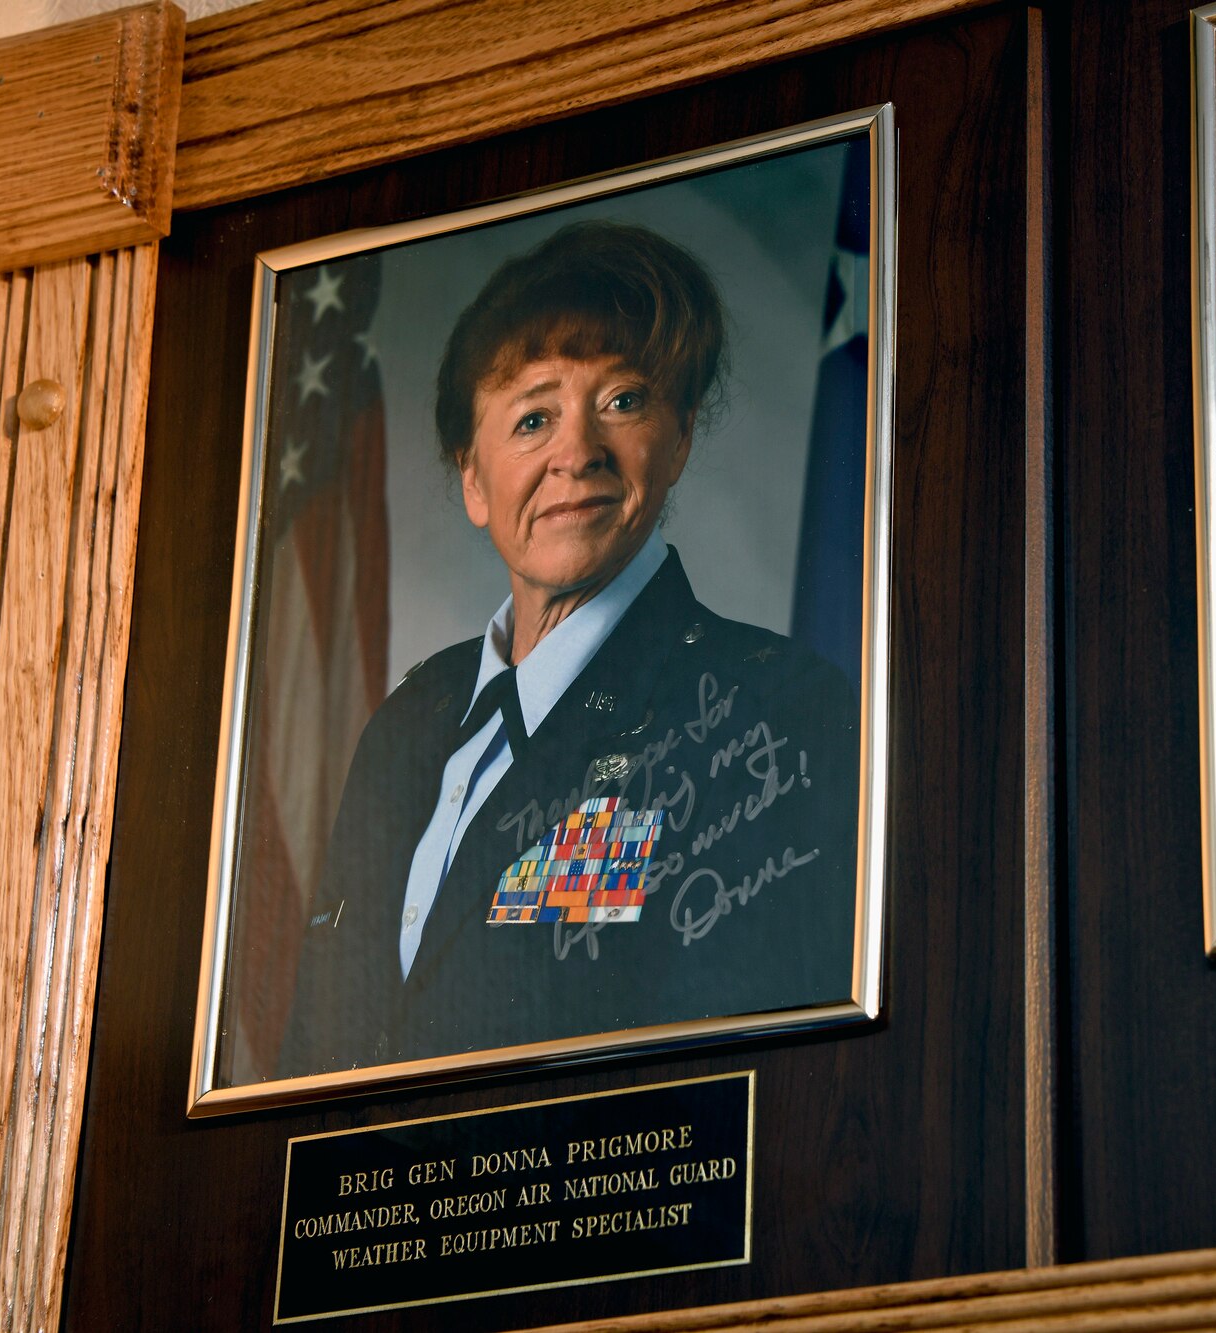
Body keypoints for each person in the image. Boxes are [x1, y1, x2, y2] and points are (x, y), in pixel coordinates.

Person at [276, 221, 859, 1078]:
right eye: (533, 416)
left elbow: (750, 1087)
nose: (576, 453)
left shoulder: (770, 709)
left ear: (682, 436)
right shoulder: (408, 722)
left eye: (623, 400)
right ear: (473, 479)